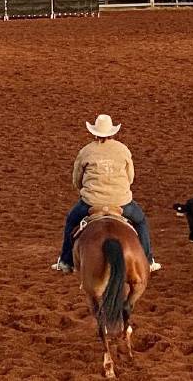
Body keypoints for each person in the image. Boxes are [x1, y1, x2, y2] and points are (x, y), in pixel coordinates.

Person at [52, 114, 159, 274]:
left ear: (94, 132)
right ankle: (148, 260)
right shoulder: (123, 149)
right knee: (141, 221)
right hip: (122, 202)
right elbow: (130, 177)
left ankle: (66, 261)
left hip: (91, 202)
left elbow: (77, 180)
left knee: (71, 221)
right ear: (112, 132)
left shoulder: (86, 151)